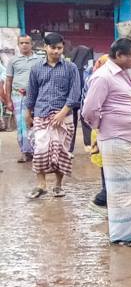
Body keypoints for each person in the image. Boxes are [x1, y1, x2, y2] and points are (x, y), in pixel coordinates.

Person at [81, 38, 131, 246]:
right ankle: (123, 234)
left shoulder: (128, 74)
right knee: (121, 189)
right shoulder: (103, 77)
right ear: (119, 56)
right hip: (116, 138)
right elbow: (89, 110)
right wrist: (102, 126)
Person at [26, 32, 80, 199]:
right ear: (45, 47)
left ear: (63, 48)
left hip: (64, 117)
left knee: (61, 151)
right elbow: (32, 92)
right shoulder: (36, 69)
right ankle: (41, 185)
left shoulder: (71, 68)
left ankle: (58, 186)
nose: (56, 51)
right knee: (40, 150)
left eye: (59, 48)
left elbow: (75, 92)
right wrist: (27, 112)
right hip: (41, 115)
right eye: (53, 48)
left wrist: (62, 113)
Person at [6, 34, 41, 163]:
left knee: (35, 124)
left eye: (27, 43)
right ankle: (25, 152)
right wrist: (8, 100)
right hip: (18, 97)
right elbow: (8, 81)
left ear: (32, 44)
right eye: (22, 43)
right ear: (18, 45)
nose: (24, 45)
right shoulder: (13, 61)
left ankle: (37, 152)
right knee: (21, 125)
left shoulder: (39, 60)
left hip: (36, 97)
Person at [69, 45, 95, 150]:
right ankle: (88, 144)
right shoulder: (89, 66)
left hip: (73, 97)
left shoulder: (70, 65)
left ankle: (70, 147)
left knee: (72, 121)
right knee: (85, 120)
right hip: (84, 96)